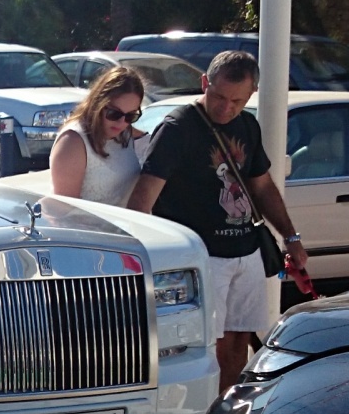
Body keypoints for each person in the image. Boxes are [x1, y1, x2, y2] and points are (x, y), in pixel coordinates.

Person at [127, 51, 308, 392]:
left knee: (239, 344)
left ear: (251, 94)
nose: (227, 108)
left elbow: (263, 185)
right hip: (200, 257)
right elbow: (142, 199)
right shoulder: (177, 128)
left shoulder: (247, 125)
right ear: (204, 83)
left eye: (237, 101)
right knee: (206, 347)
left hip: (246, 250)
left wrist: (291, 237)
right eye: (219, 97)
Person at [49, 66, 146, 206]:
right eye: (114, 113)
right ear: (98, 104)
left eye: (130, 116)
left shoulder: (125, 132)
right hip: (85, 227)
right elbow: (64, 212)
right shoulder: (72, 141)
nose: (121, 122)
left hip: (124, 225)